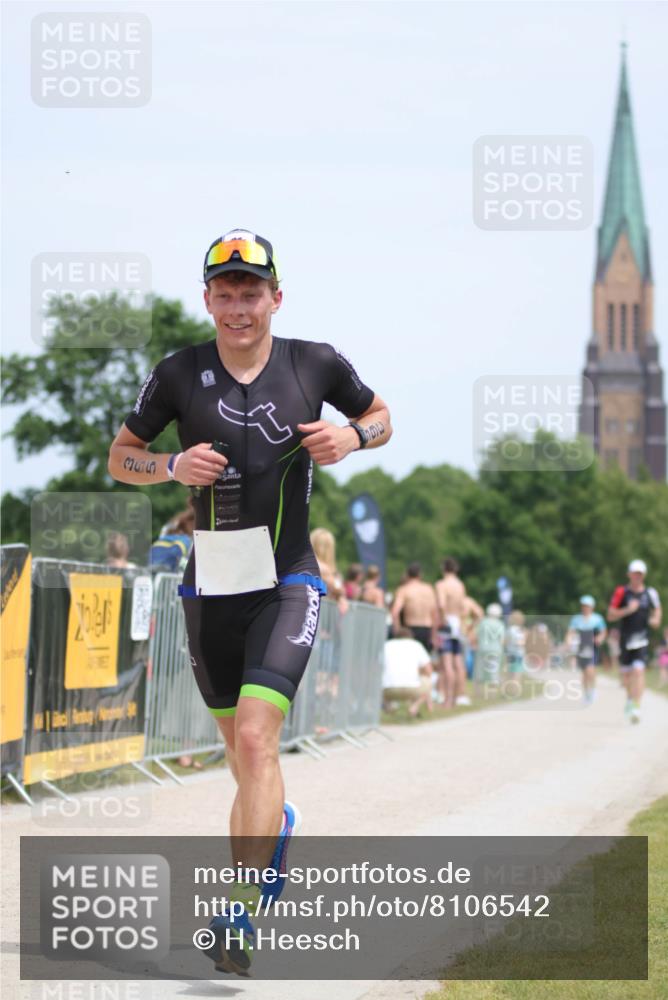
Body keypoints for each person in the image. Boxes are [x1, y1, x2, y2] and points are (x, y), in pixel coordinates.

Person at [107, 228, 392, 975]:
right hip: (211, 586)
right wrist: (170, 463)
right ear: (208, 299)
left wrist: (353, 438)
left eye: (252, 292)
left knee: (261, 742)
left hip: (288, 577)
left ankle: (237, 915)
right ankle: (279, 827)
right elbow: (121, 456)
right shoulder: (177, 373)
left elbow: (383, 415)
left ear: (276, 297)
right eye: (225, 293)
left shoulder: (314, 363)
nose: (239, 306)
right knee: (242, 757)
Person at [608, 559, 662, 724]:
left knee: (638, 671)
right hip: (625, 639)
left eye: (640, 574)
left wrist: (655, 619)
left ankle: (637, 706)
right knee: (626, 677)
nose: (637, 577)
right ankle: (630, 700)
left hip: (642, 639)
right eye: (634, 573)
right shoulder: (621, 592)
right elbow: (610, 615)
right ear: (629, 575)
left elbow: (657, 611)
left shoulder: (650, 593)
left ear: (643, 575)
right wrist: (627, 610)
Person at [435, 557, 479, 708]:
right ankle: (459, 696)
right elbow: (462, 606)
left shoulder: (441, 584)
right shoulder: (460, 585)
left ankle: (447, 700)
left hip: (447, 622)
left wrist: (441, 620)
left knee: (446, 663)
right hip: (458, 623)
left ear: (443, 568)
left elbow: (441, 604)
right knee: (458, 662)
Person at [382, 626, 433, 717]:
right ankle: (414, 706)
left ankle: (388, 706)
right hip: (412, 689)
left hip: (387, 690)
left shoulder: (386, 645)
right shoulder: (416, 645)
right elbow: (429, 671)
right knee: (428, 681)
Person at [566, 596, 607, 705]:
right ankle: (586, 693)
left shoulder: (597, 619)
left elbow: (603, 632)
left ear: (592, 607)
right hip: (581, 647)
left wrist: (599, 639)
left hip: (592, 647)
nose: (585, 608)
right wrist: (568, 642)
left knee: (590, 670)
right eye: (583, 606)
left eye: (587, 606)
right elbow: (570, 632)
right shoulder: (576, 619)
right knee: (584, 672)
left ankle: (592, 690)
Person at [391, 562, 439, 653]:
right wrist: (434, 635)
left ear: (407, 574)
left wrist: (397, 631)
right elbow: (435, 614)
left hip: (410, 630)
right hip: (426, 629)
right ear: (420, 574)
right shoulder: (429, 589)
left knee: (408, 662)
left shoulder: (404, 590)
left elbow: (395, 612)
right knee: (424, 663)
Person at [310, 527, 348, 614]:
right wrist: (341, 597)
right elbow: (338, 588)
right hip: (317, 613)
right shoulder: (323, 568)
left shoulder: (308, 564)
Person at [474, 603, 506, 689]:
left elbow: (476, 635)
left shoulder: (483, 622)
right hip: (496, 649)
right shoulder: (500, 624)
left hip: (482, 648)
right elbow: (502, 640)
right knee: (493, 669)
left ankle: (478, 687)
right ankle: (493, 687)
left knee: (480, 668)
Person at [506, 609, 527, 677]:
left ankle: (510, 686)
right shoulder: (519, 630)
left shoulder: (509, 629)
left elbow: (506, 641)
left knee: (510, 671)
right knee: (517, 672)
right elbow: (520, 642)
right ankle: (516, 686)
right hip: (518, 653)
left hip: (510, 652)